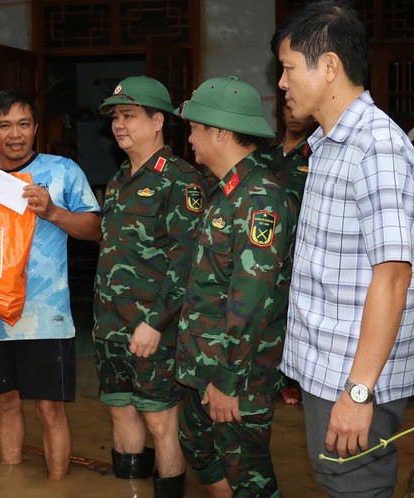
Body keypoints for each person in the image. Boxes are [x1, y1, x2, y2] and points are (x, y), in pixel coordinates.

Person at [272, 2, 414, 496]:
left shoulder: (375, 147)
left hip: (354, 373)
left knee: (356, 487)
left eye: (288, 67)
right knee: (337, 481)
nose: (281, 82)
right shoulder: (331, 143)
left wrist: (359, 392)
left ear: (330, 67)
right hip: (329, 365)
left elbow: (393, 274)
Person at [0, 90, 102, 480]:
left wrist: (51, 211)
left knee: (51, 408)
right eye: (4, 126)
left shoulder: (63, 171)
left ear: (34, 128)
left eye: (22, 124)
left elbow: (96, 229)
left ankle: (57, 487)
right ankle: (12, 483)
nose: (14, 134)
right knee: (6, 402)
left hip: (47, 316)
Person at [173, 76, 300, 498]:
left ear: (220, 132)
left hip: (236, 372)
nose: (189, 137)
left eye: (194, 127)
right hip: (201, 363)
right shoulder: (223, 192)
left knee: (248, 474)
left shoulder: (261, 199)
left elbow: (251, 302)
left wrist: (227, 379)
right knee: (198, 448)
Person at [93, 76, 207, 497]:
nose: (119, 125)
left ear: (158, 120)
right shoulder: (121, 177)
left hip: (152, 329)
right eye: (115, 118)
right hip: (110, 325)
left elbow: (186, 262)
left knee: (161, 421)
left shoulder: (180, 180)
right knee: (120, 411)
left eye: (129, 115)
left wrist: (156, 323)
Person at [267, 104, 318, 407]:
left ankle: (292, 381)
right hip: (264, 246)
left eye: (300, 111)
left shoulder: (315, 153)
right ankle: (268, 374)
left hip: (300, 246)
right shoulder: (266, 150)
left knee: (295, 313)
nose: (294, 115)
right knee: (267, 309)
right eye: (287, 109)